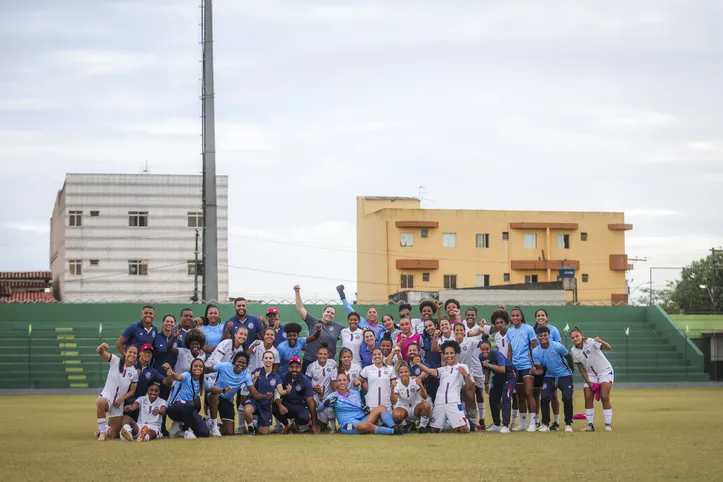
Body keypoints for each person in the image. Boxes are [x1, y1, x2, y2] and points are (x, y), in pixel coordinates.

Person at [413, 341, 472, 433]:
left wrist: (465, 375)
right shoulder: (442, 370)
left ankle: (463, 421)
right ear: (444, 355)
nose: (449, 356)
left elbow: (469, 387)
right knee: (434, 430)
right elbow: (429, 371)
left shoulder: (463, 367)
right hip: (440, 402)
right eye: (447, 353)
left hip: (454, 402)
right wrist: (419, 364)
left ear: (455, 353)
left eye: (451, 353)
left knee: (464, 430)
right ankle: (449, 424)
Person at [166, 358, 231, 439]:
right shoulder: (187, 375)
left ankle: (179, 428)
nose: (198, 368)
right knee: (191, 403)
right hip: (174, 408)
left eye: (200, 366)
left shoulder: (202, 380)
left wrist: (224, 390)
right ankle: (187, 430)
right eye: (195, 366)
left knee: (204, 433)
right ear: (191, 368)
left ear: (203, 369)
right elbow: (178, 377)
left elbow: (211, 389)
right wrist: (171, 373)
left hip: (188, 409)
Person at [321, 372, 402, 435]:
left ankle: (394, 426)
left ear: (348, 381)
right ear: (337, 382)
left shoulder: (355, 393)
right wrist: (326, 403)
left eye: (344, 380)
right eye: (339, 380)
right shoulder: (333, 395)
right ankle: (392, 431)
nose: (342, 382)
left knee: (381, 407)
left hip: (362, 418)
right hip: (348, 424)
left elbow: (360, 406)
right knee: (367, 426)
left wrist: (364, 408)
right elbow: (319, 409)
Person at [570, 327, 614, 432]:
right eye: (573, 337)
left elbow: (608, 347)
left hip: (605, 371)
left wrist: (601, 341)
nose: (575, 339)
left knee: (604, 396)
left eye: (577, 336)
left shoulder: (590, 341)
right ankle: (590, 425)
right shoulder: (573, 350)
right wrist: (588, 381)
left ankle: (608, 424)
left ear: (581, 335)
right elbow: (581, 368)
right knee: (588, 396)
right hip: (590, 374)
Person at [532, 326, 575, 433]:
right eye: (540, 335)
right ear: (537, 337)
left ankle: (568, 424)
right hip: (549, 376)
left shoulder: (557, 346)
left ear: (549, 335)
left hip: (564, 375)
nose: (543, 337)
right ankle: (545, 424)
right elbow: (541, 369)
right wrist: (535, 372)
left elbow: (568, 357)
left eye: (545, 335)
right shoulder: (535, 352)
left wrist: (571, 372)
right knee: (544, 398)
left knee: (567, 398)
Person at [294, 284, 345, 370]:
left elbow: (352, 331)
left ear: (334, 316)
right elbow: (300, 308)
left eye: (332, 313)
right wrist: (297, 292)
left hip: (328, 363)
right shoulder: (313, 321)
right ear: (323, 312)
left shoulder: (337, 327)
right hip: (310, 360)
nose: (329, 314)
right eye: (328, 312)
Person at [204, 351, 255, 436]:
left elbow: (254, 392)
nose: (241, 364)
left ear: (246, 365)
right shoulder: (224, 366)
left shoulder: (246, 375)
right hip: (214, 395)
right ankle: (214, 424)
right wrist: (199, 368)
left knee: (229, 432)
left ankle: (206, 423)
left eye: (244, 363)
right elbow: (208, 369)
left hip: (227, 400)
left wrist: (265, 397)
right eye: (239, 361)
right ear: (235, 361)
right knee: (215, 394)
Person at [94, 343, 138, 441]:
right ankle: (102, 434)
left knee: (115, 435)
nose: (132, 354)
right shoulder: (115, 360)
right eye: (130, 352)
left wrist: (121, 399)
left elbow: (133, 390)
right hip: (107, 397)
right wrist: (101, 347)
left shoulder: (134, 372)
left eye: (135, 353)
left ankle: (105, 430)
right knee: (100, 402)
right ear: (125, 353)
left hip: (118, 404)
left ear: (136, 356)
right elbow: (100, 352)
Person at [506, 307, 539, 432]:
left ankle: (533, 422)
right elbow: (510, 350)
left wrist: (535, 365)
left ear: (521, 317)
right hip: (516, 367)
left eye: (517, 315)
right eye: (513, 315)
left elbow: (535, 347)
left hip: (528, 366)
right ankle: (523, 423)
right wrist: (509, 365)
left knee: (529, 392)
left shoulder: (528, 329)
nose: (515, 318)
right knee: (520, 396)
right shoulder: (509, 331)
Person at [452, 322, 489, 430]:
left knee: (471, 398)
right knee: (458, 399)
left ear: (464, 332)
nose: (459, 332)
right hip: (455, 375)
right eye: (457, 330)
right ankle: (462, 421)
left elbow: (484, 344)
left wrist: (484, 333)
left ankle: (472, 423)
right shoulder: (451, 343)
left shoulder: (470, 342)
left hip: (468, 374)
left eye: (461, 330)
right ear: (453, 332)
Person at [122, 344, 167, 430]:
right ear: (140, 353)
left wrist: (170, 374)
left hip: (139, 404)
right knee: (118, 427)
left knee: (134, 428)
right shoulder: (131, 366)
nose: (147, 354)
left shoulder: (152, 371)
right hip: (125, 400)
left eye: (150, 353)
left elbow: (165, 381)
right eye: (145, 352)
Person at [272, 356, 320, 434]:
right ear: (288, 367)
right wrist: (280, 405)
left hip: (300, 405)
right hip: (286, 405)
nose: (294, 369)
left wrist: (315, 424)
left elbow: (311, 402)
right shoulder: (283, 377)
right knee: (274, 407)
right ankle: (287, 425)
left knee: (305, 417)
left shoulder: (305, 380)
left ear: (300, 368)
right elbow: (276, 393)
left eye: (297, 367)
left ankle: (296, 425)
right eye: (292, 367)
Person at [245, 351, 289, 435]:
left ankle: (255, 422)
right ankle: (251, 427)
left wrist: (287, 391)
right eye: (266, 358)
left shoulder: (276, 376)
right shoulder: (257, 371)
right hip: (254, 401)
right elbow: (250, 386)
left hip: (266, 405)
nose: (268, 360)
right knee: (247, 410)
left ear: (273, 360)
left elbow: (280, 391)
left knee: (263, 433)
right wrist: (254, 378)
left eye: (270, 358)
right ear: (262, 359)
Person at [533, 308, 563, 430]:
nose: (540, 317)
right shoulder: (532, 330)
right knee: (537, 394)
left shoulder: (553, 330)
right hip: (538, 365)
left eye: (543, 315)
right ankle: (537, 422)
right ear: (536, 318)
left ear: (546, 317)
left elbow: (559, 347)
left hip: (551, 366)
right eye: (538, 315)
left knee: (553, 394)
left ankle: (555, 422)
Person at [479, 338, 515, 433]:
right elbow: (486, 369)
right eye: (483, 349)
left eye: (487, 349)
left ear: (490, 349)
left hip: (509, 375)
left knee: (506, 397)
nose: (485, 351)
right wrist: (486, 383)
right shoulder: (481, 356)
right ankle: (497, 424)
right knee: (493, 397)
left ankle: (506, 425)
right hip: (498, 377)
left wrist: (489, 365)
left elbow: (502, 369)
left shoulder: (497, 354)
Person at [305, 343, 338, 432]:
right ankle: (312, 423)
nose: (322, 356)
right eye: (320, 354)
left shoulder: (333, 363)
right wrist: (313, 387)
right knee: (320, 426)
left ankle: (333, 428)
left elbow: (338, 372)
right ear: (317, 354)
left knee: (331, 408)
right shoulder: (312, 366)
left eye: (325, 354)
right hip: (316, 397)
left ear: (328, 355)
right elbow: (306, 382)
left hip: (328, 395)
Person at [390, 363, 432, 433]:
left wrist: (421, 385)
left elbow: (424, 396)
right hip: (403, 408)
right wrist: (392, 388)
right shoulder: (397, 383)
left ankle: (422, 427)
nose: (404, 374)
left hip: (416, 407)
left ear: (409, 373)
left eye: (406, 372)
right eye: (401, 372)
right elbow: (393, 402)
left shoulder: (414, 381)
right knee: (396, 415)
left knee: (426, 405)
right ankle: (405, 425)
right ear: (398, 374)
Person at [419, 318, 441, 402]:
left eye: (430, 325)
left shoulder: (441, 337)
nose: (428, 328)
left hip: (439, 371)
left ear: (435, 325)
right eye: (426, 327)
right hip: (427, 372)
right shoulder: (422, 338)